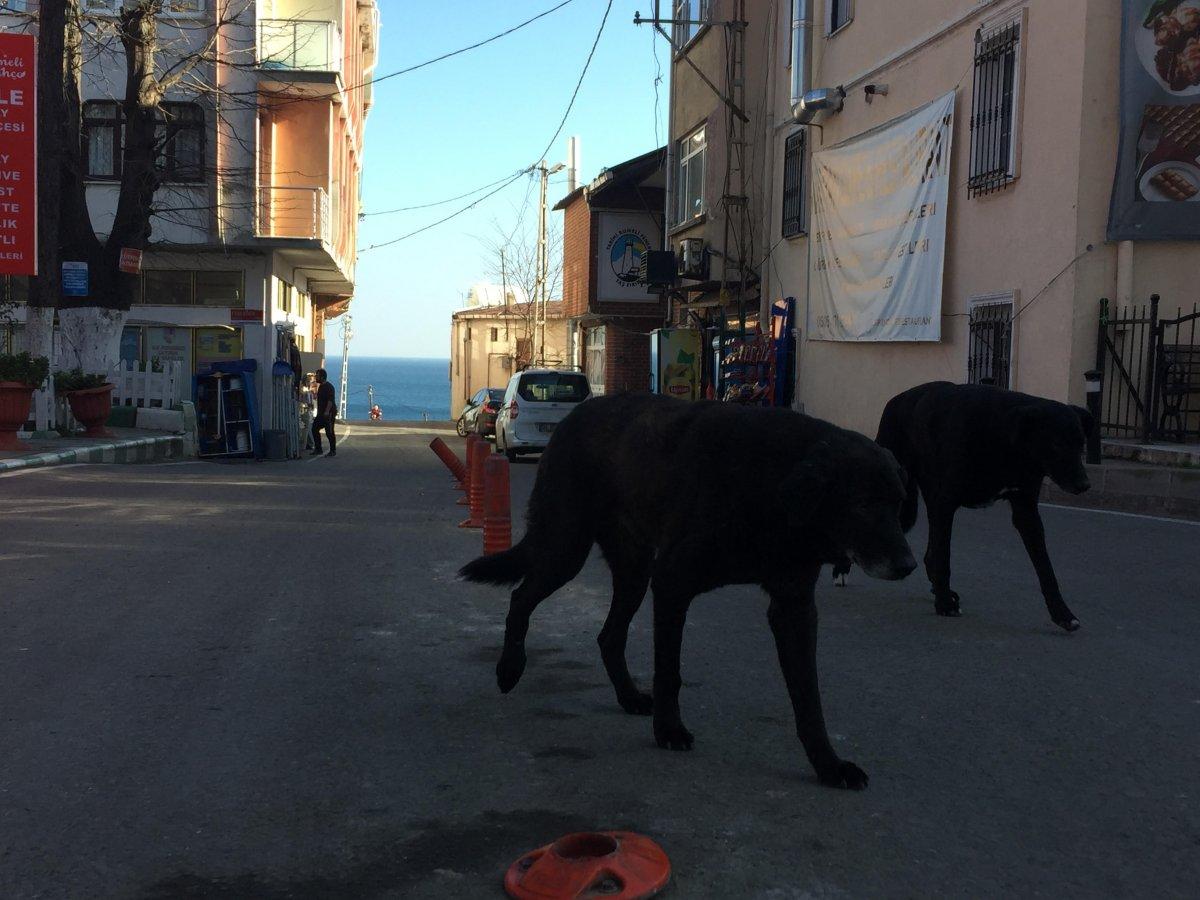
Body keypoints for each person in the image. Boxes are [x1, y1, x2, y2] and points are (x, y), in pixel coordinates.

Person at [311, 368, 337, 457]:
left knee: (329, 432)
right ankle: (318, 449)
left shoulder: (329, 387)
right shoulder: (321, 386)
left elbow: (330, 401)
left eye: (317, 376)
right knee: (314, 429)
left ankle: (333, 450)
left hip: (328, 413)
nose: (315, 378)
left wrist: (326, 412)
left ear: (322, 377)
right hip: (321, 413)